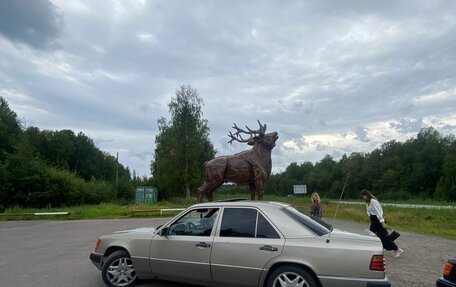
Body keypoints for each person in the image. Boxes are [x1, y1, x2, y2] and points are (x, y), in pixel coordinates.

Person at [361, 189, 403, 257]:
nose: (363, 198)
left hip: (379, 221)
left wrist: (382, 222)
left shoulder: (373, 201)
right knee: (372, 235)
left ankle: (397, 249)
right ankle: (375, 249)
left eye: (363, 197)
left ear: (367, 195)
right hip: (374, 222)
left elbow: (379, 212)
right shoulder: (368, 202)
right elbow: (370, 212)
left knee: (384, 238)